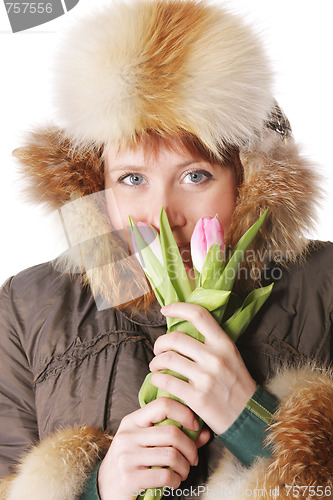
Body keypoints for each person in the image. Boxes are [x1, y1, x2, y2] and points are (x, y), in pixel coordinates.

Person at [0, 1, 332, 499]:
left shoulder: (324, 289)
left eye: (195, 176)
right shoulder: (28, 308)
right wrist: (99, 489)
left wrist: (249, 422)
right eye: (131, 179)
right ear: (96, 185)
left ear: (249, 180)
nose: (163, 215)